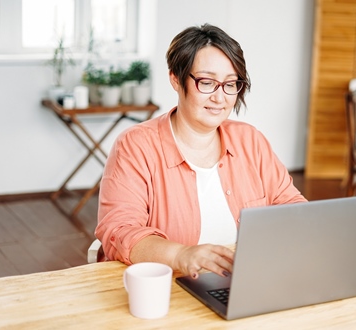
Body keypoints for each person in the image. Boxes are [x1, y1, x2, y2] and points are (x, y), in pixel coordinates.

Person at [96, 23, 307, 280]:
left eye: (230, 84)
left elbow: (292, 206)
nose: (220, 98)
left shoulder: (250, 140)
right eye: (207, 82)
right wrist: (181, 255)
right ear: (175, 78)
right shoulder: (136, 145)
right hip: (169, 287)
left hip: (248, 281)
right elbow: (120, 231)